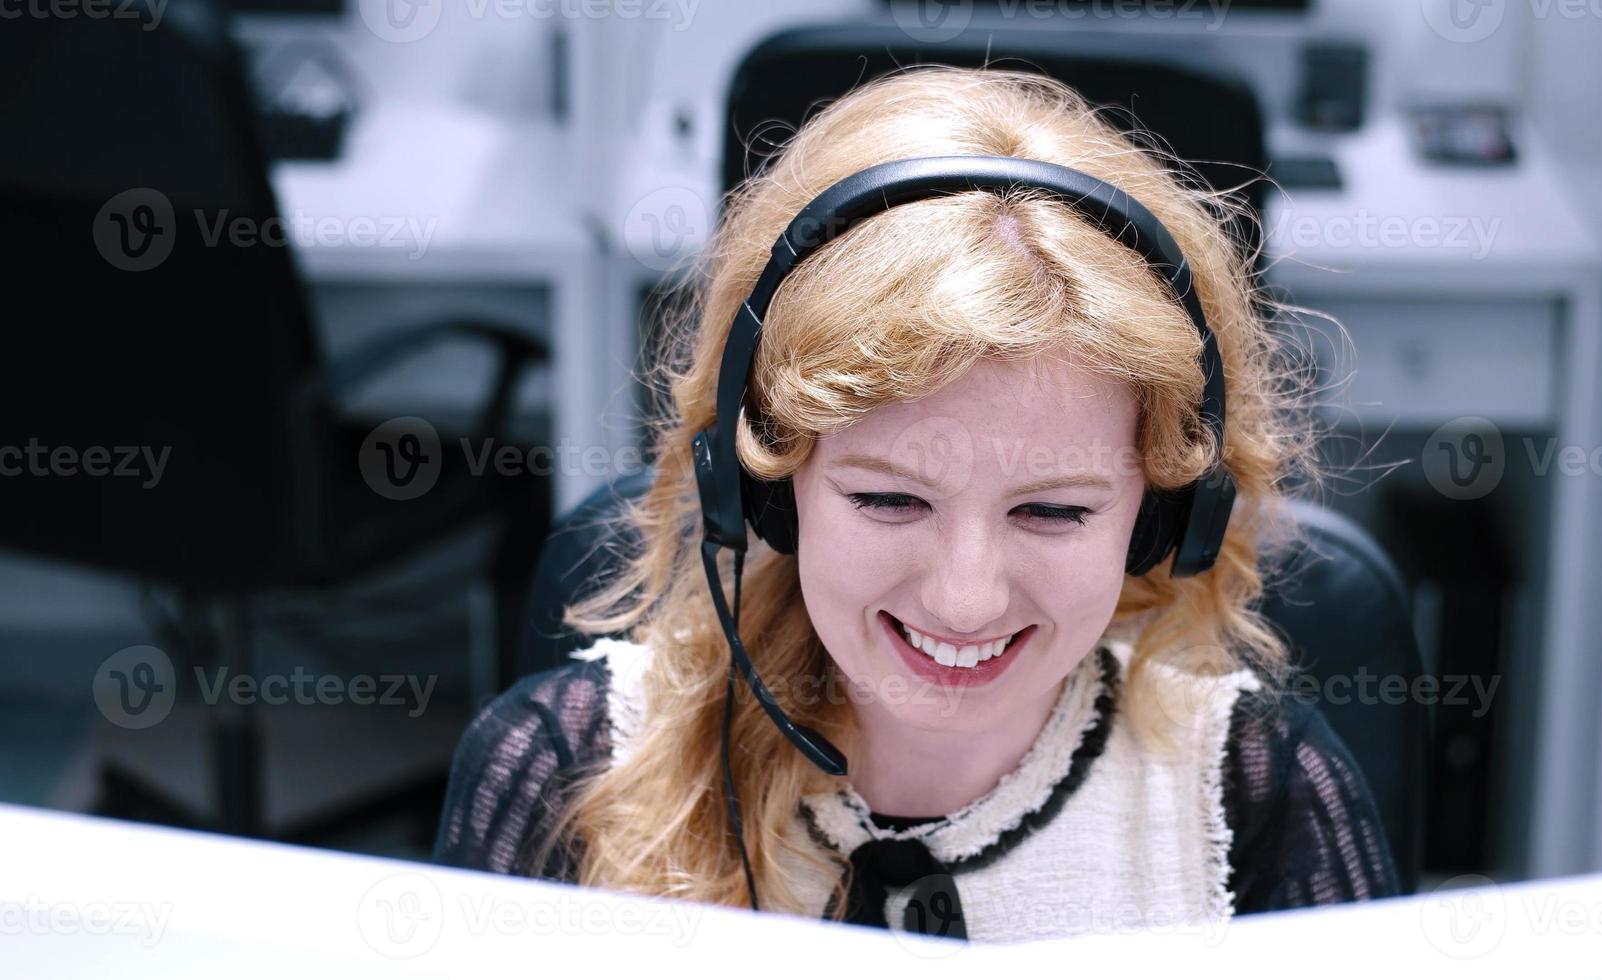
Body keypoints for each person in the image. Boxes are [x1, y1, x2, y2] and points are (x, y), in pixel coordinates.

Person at [433, 65, 1398, 943]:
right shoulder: (558, 769)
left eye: (1053, 512)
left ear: (1164, 515)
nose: (965, 599)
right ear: (765, 486)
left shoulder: (1261, 799)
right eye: (890, 499)